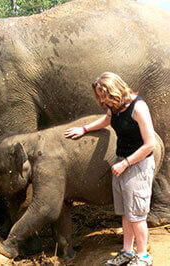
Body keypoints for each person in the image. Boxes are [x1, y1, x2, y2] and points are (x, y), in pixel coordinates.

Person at [64, 72, 155, 266]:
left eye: (104, 95)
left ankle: (144, 257)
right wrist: (85, 128)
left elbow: (150, 145)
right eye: (99, 96)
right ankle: (127, 252)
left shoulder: (138, 107)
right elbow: (106, 120)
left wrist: (126, 163)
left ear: (115, 90)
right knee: (125, 212)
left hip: (137, 165)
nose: (102, 100)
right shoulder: (114, 107)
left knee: (137, 215)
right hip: (122, 162)